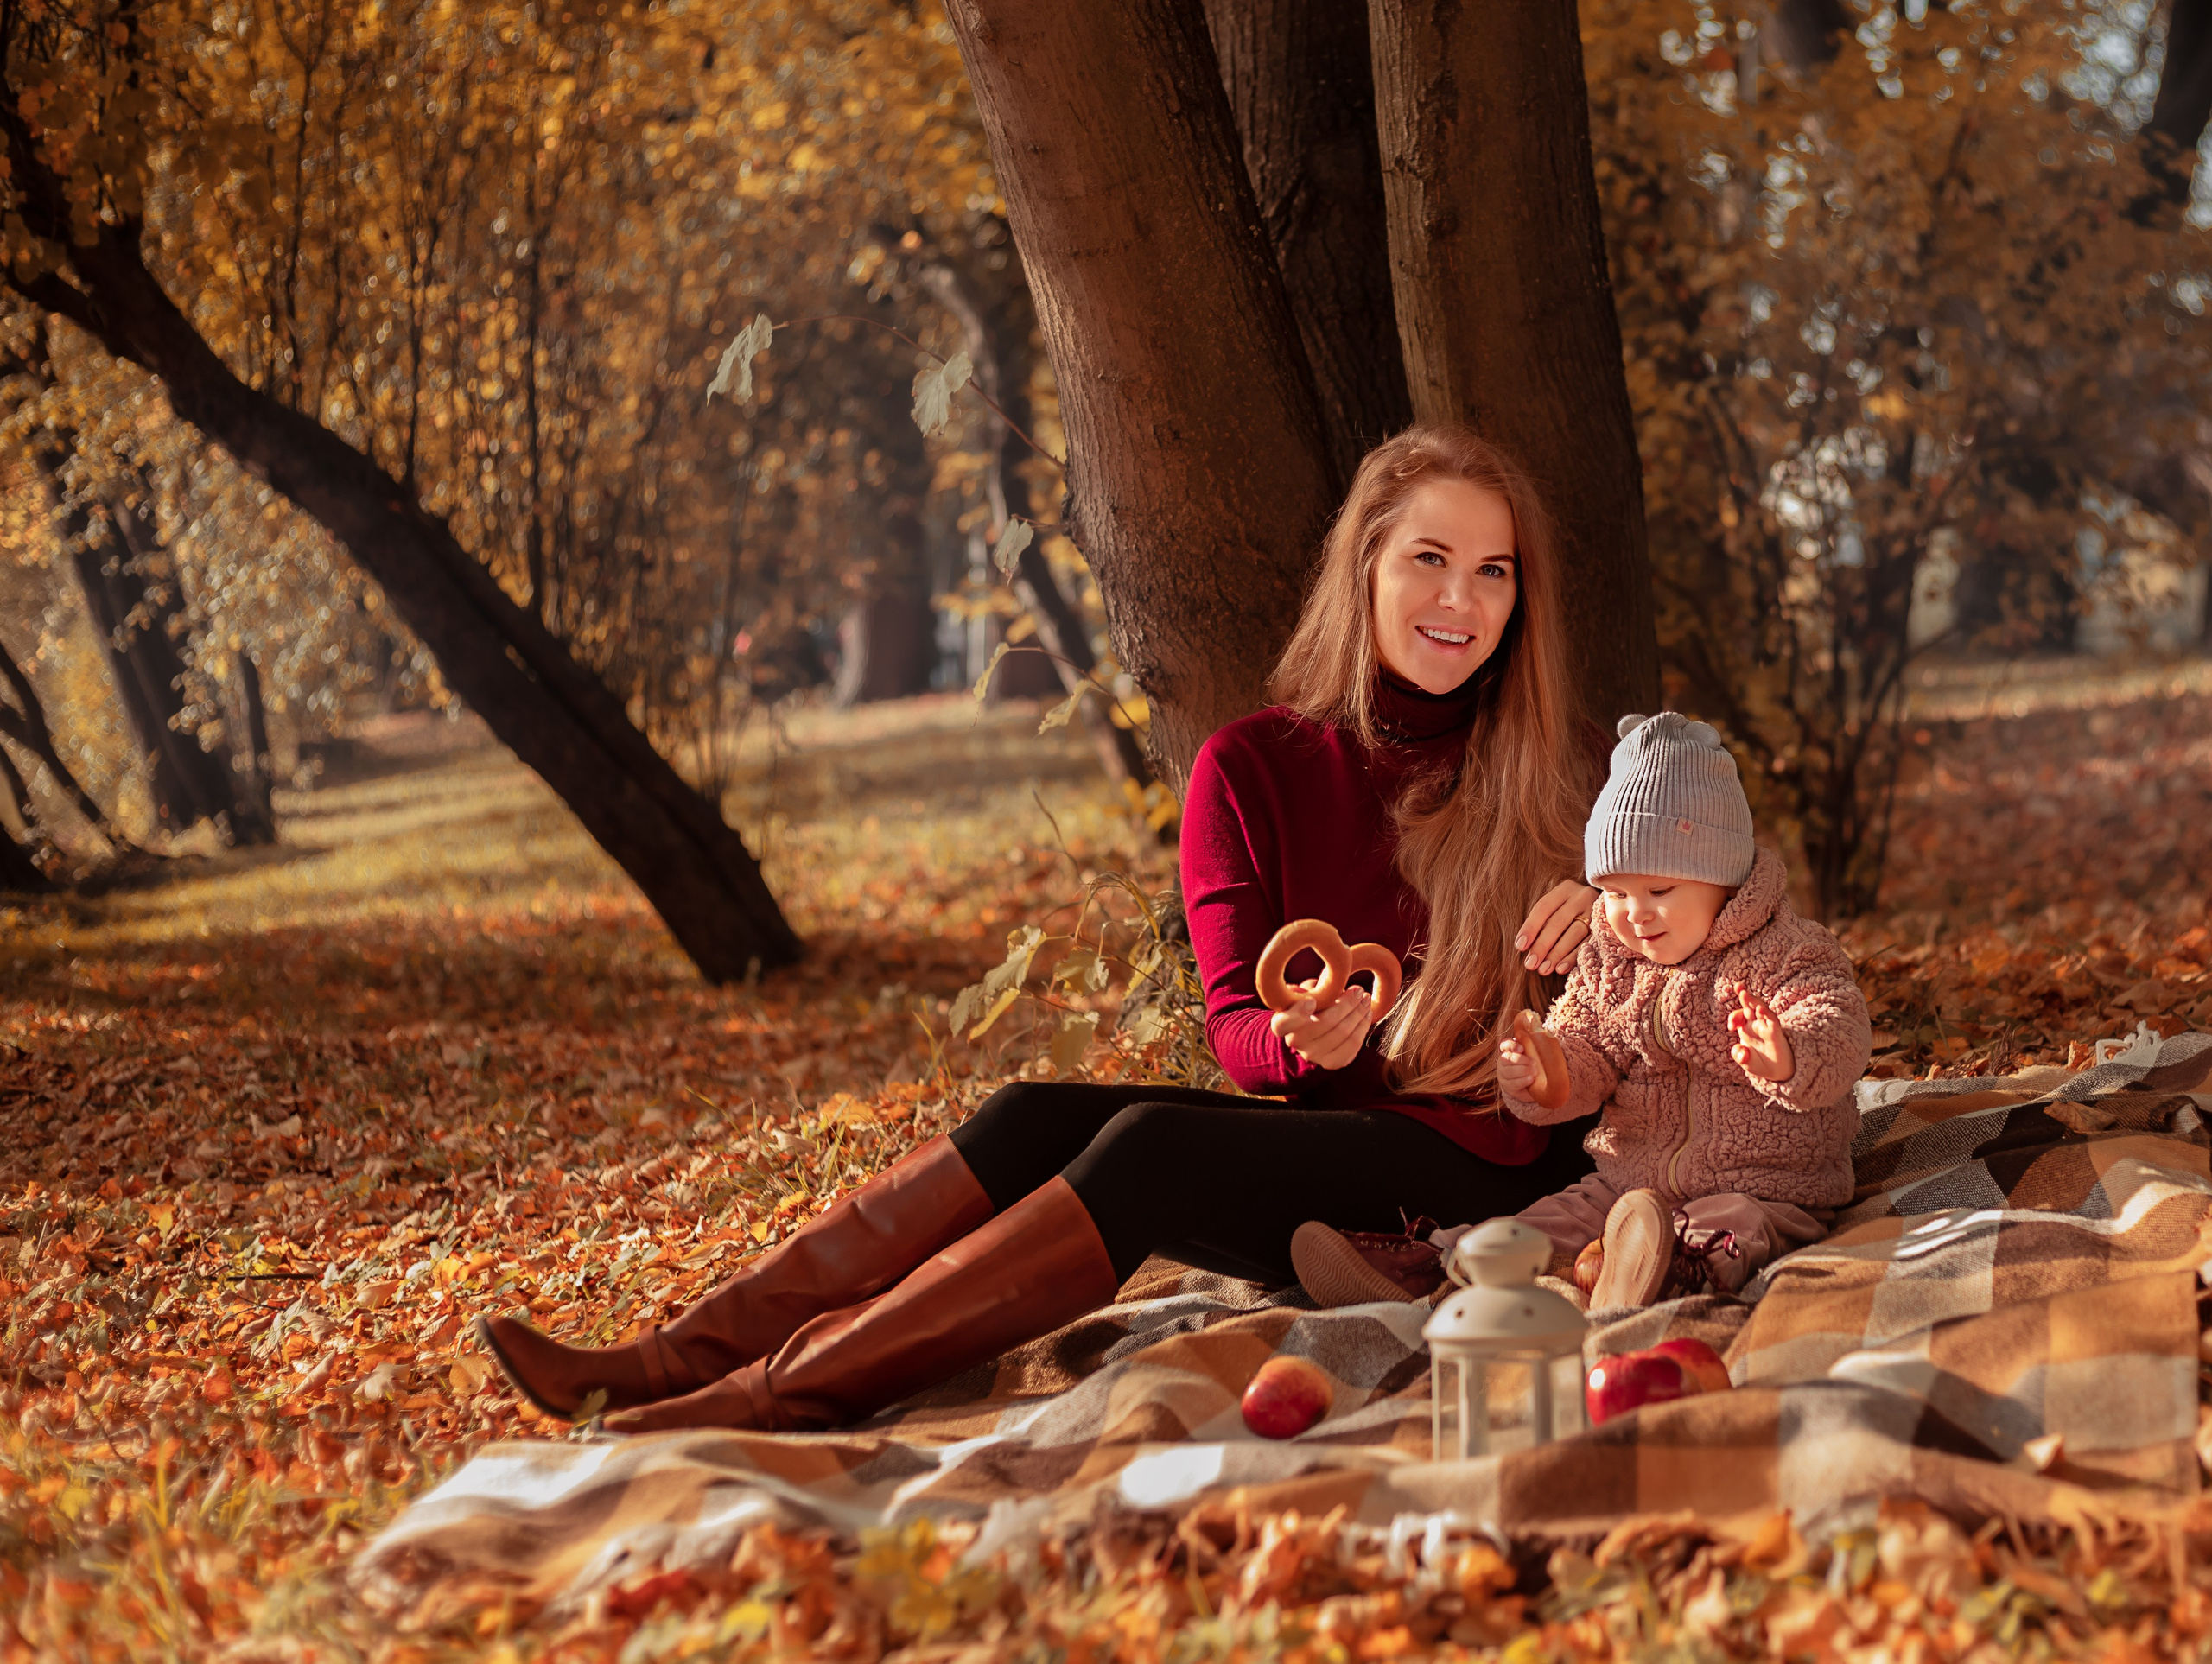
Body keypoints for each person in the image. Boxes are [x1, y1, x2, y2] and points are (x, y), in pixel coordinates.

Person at [478, 425, 1606, 1434]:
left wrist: (1602, 917)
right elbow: (1233, 1026)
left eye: (1492, 571)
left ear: (1519, 598)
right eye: (1430, 558)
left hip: (1484, 1169)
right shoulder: (1250, 766)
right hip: (1325, 1151)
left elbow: (1673, 971)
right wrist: (1296, 1041)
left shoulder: (1555, 787)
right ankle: (674, 1358)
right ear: (1364, 567)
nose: (1461, 598)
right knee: (1028, 1115)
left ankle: (777, 1394)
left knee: (1152, 1152)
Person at [1491, 712, 1872, 1310]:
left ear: (1724, 881)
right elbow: (1584, 1048)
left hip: (1764, 1186)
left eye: (1660, 892)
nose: (1634, 914)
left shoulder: (1786, 950)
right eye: (1615, 893)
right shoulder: (1608, 962)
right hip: (1628, 1183)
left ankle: (1670, 1273)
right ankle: (1456, 1265)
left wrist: (1788, 1055)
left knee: (1731, 1230)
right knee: (1551, 1220)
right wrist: (1547, 1076)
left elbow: (1839, 1024)